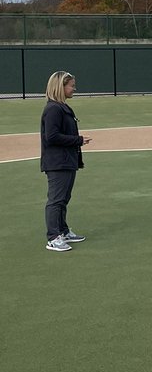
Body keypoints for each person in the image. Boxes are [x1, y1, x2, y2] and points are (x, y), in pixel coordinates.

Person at [40, 71, 91, 253]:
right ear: (60, 87)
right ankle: (54, 237)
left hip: (66, 160)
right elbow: (51, 137)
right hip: (57, 162)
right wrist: (77, 140)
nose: (74, 89)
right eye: (71, 85)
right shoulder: (53, 109)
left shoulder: (61, 107)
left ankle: (63, 231)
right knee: (56, 200)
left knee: (64, 199)